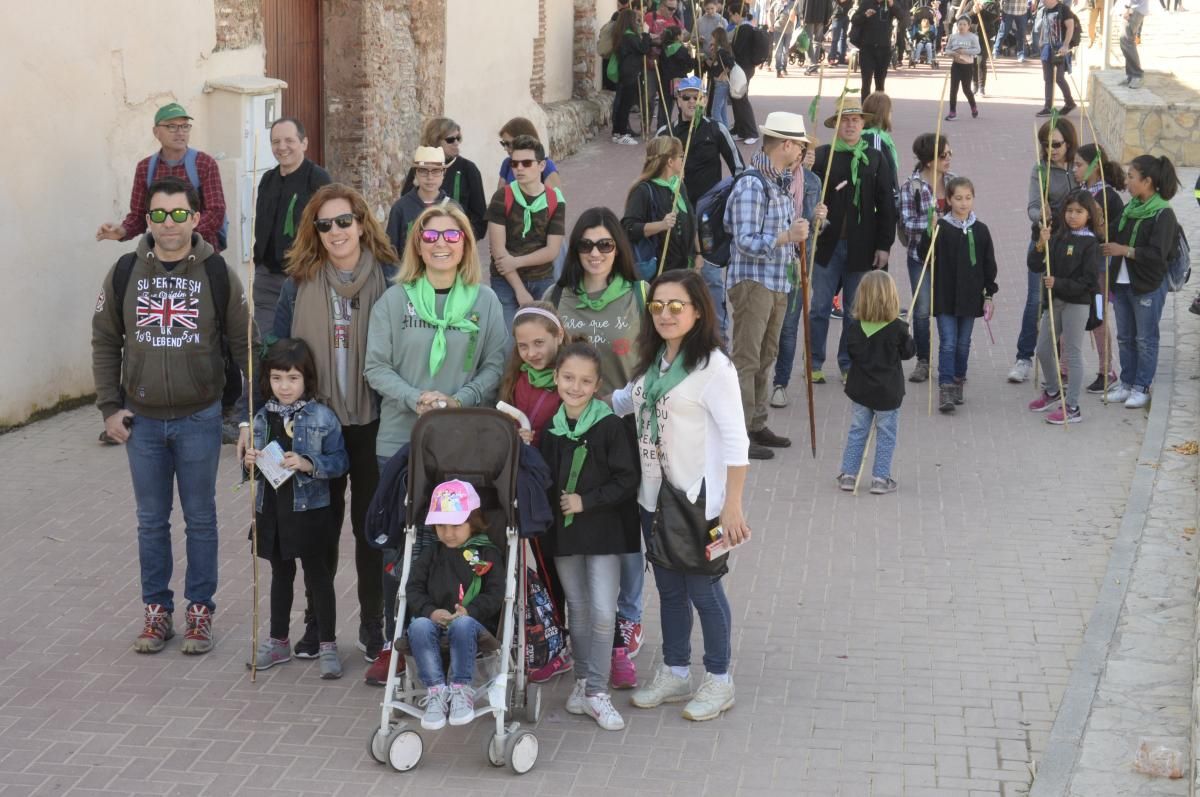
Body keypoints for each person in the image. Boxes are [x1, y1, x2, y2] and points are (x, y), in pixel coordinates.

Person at [92, 176, 250, 655]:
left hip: (200, 418)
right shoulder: (124, 272)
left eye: (179, 214)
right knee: (151, 522)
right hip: (141, 421)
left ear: (196, 219)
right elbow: (104, 340)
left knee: (200, 519)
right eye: (158, 215)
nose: (169, 224)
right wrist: (108, 407)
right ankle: (156, 612)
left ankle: (200, 611)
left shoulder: (217, 274)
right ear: (147, 220)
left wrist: (247, 417)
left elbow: (247, 346)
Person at [363, 204, 509, 683]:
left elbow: (495, 363)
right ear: (417, 244)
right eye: (431, 235)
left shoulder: (484, 301)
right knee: (401, 550)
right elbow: (376, 366)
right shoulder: (394, 300)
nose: (441, 243)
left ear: (465, 243)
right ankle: (396, 641)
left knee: (457, 545)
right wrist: (416, 397)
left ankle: (460, 637)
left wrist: (459, 399)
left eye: (452, 235)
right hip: (402, 441)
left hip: (463, 447)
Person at [265, 183, 399, 668]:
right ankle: (317, 624)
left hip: (373, 421)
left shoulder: (390, 276)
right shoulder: (298, 281)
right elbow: (277, 351)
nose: (336, 231)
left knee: (371, 529)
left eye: (345, 221)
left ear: (362, 223)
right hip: (313, 425)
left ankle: (372, 624)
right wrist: (265, 423)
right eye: (325, 225)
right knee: (317, 530)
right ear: (314, 232)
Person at [611, 270, 751, 723]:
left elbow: (737, 441)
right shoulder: (655, 362)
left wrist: (732, 505)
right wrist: (575, 391)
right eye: (657, 306)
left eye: (676, 306)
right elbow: (626, 401)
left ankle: (719, 680)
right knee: (669, 588)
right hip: (654, 496)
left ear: (696, 311)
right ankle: (675, 671)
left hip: (699, 500)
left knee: (703, 589)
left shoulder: (714, 367)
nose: (665, 314)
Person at [543, 209, 648, 688]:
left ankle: (624, 629)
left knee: (625, 533)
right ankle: (580, 633)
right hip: (570, 429)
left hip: (623, 428)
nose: (595, 254)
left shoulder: (639, 295)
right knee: (576, 528)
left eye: (605, 245)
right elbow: (538, 355)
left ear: (618, 248)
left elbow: (659, 358)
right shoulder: (558, 297)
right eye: (586, 245)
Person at [539, 342, 641, 731]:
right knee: (577, 609)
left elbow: (627, 479)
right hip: (565, 538)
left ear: (598, 384)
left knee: (602, 610)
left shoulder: (610, 426)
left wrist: (587, 501)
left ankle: (599, 691)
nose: (575, 387)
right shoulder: (551, 430)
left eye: (585, 381)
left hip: (605, 532)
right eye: (568, 378)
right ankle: (583, 683)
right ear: (556, 379)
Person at [243, 338, 350, 679]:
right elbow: (254, 469)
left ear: (306, 379)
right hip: (274, 510)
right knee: (280, 575)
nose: (284, 386)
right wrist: (250, 463)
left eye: (292, 378)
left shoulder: (322, 416)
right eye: (276, 378)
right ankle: (278, 641)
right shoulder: (260, 417)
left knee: (319, 577)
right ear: (267, 380)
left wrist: (308, 463)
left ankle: (328, 644)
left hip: (311, 511)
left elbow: (340, 461)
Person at [724, 112, 811, 460]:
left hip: (775, 281)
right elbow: (744, 239)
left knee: (765, 355)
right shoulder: (752, 183)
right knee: (747, 358)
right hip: (753, 282)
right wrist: (785, 237)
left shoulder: (779, 180)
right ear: (786, 144)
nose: (802, 151)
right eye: (800, 145)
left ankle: (757, 423)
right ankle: (740, 431)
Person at [406, 479, 505, 730]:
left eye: (455, 525)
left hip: (473, 625)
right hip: (435, 623)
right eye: (440, 525)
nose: (447, 532)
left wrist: (470, 611)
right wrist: (431, 611)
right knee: (417, 626)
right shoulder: (432, 553)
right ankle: (436, 691)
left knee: (462, 625)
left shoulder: (487, 553)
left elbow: (495, 594)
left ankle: (461, 689)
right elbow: (413, 588)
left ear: (472, 521)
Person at [809, 105, 897, 384]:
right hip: (827, 245)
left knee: (853, 310)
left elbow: (886, 204)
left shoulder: (875, 158)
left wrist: (884, 245)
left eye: (855, 120)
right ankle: (813, 361)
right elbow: (808, 193)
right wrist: (806, 168)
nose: (849, 125)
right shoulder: (823, 156)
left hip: (862, 246)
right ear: (836, 125)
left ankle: (847, 362)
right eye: (844, 121)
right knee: (820, 306)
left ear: (863, 125)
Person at [658, 75, 744, 339]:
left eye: (698, 97)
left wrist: (727, 202)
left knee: (711, 279)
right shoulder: (666, 134)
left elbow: (739, 170)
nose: (692, 103)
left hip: (707, 218)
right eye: (687, 98)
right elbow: (649, 174)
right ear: (677, 100)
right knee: (675, 277)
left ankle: (720, 339)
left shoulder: (716, 129)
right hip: (677, 217)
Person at [1101, 155, 1181, 409]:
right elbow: (1112, 232)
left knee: (1145, 338)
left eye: (1131, 177)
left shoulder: (1163, 214)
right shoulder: (1131, 207)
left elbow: (1158, 255)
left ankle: (1142, 386)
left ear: (1147, 181)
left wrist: (1124, 250)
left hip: (1147, 284)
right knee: (1125, 336)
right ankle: (1126, 383)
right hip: (1122, 282)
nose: (1127, 181)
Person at [96, 103, 228, 252]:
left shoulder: (204, 163)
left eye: (185, 126)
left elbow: (216, 212)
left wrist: (183, 235)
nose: (180, 133)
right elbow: (140, 216)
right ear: (156, 132)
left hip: (200, 250)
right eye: (172, 126)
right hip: (161, 253)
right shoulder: (145, 168)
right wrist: (122, 231)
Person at [1009, 118, 1079, 383]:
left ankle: (1063, 362)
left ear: (1069, 143)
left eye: (1057, 144)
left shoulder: (1077, 168)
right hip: (1045, 240)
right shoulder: (1040, 170)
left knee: (1064, 302)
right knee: (1035, 300)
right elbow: (1032, 207)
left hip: (1072, 244)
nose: (1052, 149)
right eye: (1046, 144)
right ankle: (1023, 358)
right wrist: (1042, 215)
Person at [251, 118, 332, 347]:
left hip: (301, 276)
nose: (282, 147)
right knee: (265, 345)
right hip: (266, 279)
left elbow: (328, 225)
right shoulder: (268, 179)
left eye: (289, 140)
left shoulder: (318, 179)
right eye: (276, 141)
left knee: (301, 345)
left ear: (304, 143)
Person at [1026, 191, 1103, 424]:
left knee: (1072, 352)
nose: (1072, 216)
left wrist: (1058, 283)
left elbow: (1089, 281)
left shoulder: (1091, 243)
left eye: (1079, 212)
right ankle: (1052, 390)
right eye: (1069, 211)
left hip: (1077, 304)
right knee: (1042, 349)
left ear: (1089, 215)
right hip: (1054, 301)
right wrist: (1041, 243)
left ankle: (1072, 406)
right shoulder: (1058, 236)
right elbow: (1035, 264)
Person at [835, 271, 915, 494]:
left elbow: (851, 352)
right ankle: (880, 478)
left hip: (861, 390)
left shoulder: (855, 328)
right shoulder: (897, 329)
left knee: (858, 430)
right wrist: (905, 333)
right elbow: (908, 353)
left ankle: (848, 475)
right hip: (888, 392)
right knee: (886, 434)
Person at [924, 177, 999, 412]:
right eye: (958, 198)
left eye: (968, 198)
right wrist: (930, 232)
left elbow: (989, 267)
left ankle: (958, 379)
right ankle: (945, 386)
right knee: (947, 342)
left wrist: (989, 295)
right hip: (945, 295)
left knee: (963, 343)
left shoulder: (981, 230)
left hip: (969, 297)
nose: (963, 203)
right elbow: (924, 255)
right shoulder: (942, 228)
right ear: (948, 200)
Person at [487, 134, 568, 326]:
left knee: (543, 340)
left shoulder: (554, 200)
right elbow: (498, 250)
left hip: (542, 280)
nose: (519, 168)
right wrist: (520, 290)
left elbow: (552, 250)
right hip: (505, 281)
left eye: (526, 163)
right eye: (514, 164)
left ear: (541, 166)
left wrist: (516, 262)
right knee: (508, 343)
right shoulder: (502, 196)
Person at [770, 140, 823, 409]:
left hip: (797, 263)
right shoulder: (768, 179)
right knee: (768, 328)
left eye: (803, 150)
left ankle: (780, 383)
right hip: (768, 262)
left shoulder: (812, 181)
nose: (798, 155)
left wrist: (820, 218)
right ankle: (757, 382)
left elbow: (815, 228)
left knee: (789, 327)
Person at [899, 133, 956, 382]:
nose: (949, 159)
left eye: (950, 153)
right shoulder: (912, 187)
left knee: (948, 308)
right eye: (944, 155)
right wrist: (930, 222)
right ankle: (923, 360)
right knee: (922, 310)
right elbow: (908, 224)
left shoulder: (954, 182)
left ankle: (950, 357)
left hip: (949, 259)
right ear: (930, 160)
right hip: (920, 257)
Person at [1074, 143, 1125, 392]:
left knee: (1099, 317)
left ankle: (1107, 370)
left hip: (1099, 269)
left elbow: (1115, 233)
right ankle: (1064, 370)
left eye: (1079, 165)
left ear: (1094, 166)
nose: (1075, 169)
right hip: (1077, 267)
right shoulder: (1080, 191)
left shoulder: (1109, 197)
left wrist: (1101, 228)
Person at [399, 117, 488, 240]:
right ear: (435, 140)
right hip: (421, 244)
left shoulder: (468, 169)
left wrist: (462, 240)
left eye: (458, 138)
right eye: (450, 139)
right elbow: (406, 207)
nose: (456, 143)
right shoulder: (419, 169)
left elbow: (480, 217)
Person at [623, 136, 699, 276]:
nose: (683, 160)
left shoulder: (679, 186)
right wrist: (661, 225)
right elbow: (629, 228)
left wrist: (698, 254)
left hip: (684, 268)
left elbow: (691, 218)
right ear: (670, 162)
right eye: (681, 156)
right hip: (660, 272)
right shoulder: (643, 191)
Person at [500, 303, 566, 448]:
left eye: (539, 342)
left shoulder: (572, 381)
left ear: (559, 335)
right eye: (523, 346)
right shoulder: (516, 376)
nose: (530, 353)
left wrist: (537, 439)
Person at [386, 146, 458, 254]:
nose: (430, 177)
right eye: (423, 171)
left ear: (444, 173)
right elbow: (391, 251)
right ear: (415, 173)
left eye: (436, 171)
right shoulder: (400, 208)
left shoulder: (454, 208)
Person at [611, 10, 652, 146]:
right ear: (630, 21)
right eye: (636, 20)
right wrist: (646, 33)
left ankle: (617, 132)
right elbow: (644, 49)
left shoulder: (622, 35)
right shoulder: (629, 36)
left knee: (623, 103)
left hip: (625, 73)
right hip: (630, 74)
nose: (638, 22)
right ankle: (622, 133)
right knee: (625, 105)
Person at [852, 0, 902, 97]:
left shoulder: (889, 5)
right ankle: (865, 109)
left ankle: (878, 109)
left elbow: (902, 17)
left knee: (880, 84)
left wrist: (893, 5)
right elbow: (854, 20)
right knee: (866, 82)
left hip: (884, 49)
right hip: (867, 48)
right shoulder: (866, 3)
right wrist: (865, 15)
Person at [497, 118, 564, 192]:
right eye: (503, 144)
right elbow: (499, 198)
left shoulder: (546, 166)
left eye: (508, 144)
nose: (505, 148)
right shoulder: (507, 163)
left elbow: (555, 200)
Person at [1035, 0, 1077, 117]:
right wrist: (1041, 40)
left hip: (1060, 48)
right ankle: (1047, 107)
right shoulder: (1044, 10)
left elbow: (1070, 27)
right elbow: (1044, 25)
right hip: (1046, 47)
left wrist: (1065, 45)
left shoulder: (1064, 9)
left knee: (1059, 78)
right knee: (1048, 78)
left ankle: (1069, 103)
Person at [728, 3, 761, 144]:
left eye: (730, 14)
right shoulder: (747, 27)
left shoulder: (744, 29)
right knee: (737, 98)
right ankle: (740, 129)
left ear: (736, 14)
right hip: (744, 68)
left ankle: (752, 132)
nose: (729, 17)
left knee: (741, 99)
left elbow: (738, 50)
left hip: (743, 68)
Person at [656, 26, 698, 132]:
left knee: (665, 106)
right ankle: (684, 127)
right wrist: (693, 57)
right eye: (682, 34)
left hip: (666, 81)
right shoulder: (682, 49)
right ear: (678, 36)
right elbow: (689, 67)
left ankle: (662, 129)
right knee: (683, 105)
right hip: (680, 81)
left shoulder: (664, 48)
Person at [945, 17, 982, 120]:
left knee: (966, 89)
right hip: (956, 65)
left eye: (964, 24)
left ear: (968, 26)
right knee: (953, 89)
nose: (962, 26)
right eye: (960, 24)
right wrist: (953, 53)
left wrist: (964, 51)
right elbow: (947, 50)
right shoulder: (953, 37)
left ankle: (973, 107)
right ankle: (952, 112)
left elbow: (978, 50)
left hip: (967, 66)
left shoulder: (973, 37)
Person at [708, 27, 737, 129]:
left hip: (721, 84)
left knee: (715, 112)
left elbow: (731, 63)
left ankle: (721, 132)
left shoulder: (722, 52)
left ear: (717, 38)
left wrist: (723, 74)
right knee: (722, 110)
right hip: (720, 83)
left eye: (712, 38)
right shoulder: (721, 51)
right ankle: (725, 130)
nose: (711, 40)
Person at [1119, 0, 1148, 89]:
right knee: (1126, 40)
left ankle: (1137, 74)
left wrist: (1128, 8)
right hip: (1135, 7)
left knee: (1126, 39)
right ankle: (1131, 75)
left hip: (1135, 8)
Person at [800, 0, 834, 75]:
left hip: (809, 16)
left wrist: (801, 17)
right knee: (817, 42)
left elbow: (803, 3)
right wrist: (827, 17)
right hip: (820, 16)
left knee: (808, 41)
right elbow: (829, 4)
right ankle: (814, 67)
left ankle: (812, 65)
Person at [770, 0, 798, 77]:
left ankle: (784, 67)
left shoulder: (793, 4)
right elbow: (770, 12)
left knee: (786, 51)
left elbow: (793, 19)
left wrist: (793, 14)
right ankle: (778, 69)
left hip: (788, 31)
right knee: (778, 50)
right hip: (778, 29)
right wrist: (770, 24)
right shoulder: (776, 2)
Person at [829, 0, 855, 64]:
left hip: (846, 14)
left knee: (843, 38)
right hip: (837, 15)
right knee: (835, 38)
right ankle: (832, 58)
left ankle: (841, 58)